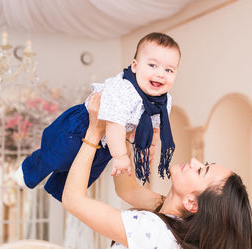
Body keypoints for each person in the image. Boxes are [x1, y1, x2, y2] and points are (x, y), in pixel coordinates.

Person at [63, 92, 252, 249]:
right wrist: (120, 133)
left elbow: (73, 200)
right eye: (204, 163)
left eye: (200, 171)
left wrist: (94, 132)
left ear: (191, 203)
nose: (194, 161)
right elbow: (128, 190)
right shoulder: (178, 226)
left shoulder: (151, 230)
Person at [22, 32, 181, 202]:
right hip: (82, 125)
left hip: (108, 142)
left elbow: (156, 125)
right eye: (152, 65)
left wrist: (151, 146)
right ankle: (29, 169)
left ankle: (59, 191)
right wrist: (121, 157)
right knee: (59, 155)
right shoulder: (124, 90)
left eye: (169, 70)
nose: (161, 74)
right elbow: (114, 125)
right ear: (135, 66)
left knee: (90, 169)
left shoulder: (164, 101)